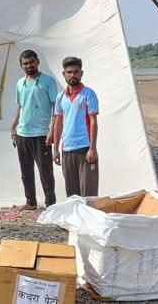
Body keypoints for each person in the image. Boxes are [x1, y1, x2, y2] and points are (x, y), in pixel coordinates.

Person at [10, 50, 59, 210]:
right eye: (25, 63)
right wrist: (13, 126)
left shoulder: (48, 81)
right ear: (21, 65)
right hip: (22, 133)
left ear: (37, 62)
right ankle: (30, 202)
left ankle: (50, 204)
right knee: (26, 171)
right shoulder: (20, 83)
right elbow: (20, 106)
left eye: (31, 62)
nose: (29, 66)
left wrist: (52, 130)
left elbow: (55, 108)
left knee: (45, 172)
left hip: (41, 134)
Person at [53, 57, 99, 197]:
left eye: (76, 72)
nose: (73, 75)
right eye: (69, 72)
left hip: (85, 149)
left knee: (88, 193)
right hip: (67, 150)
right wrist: (55, 149)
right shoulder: (60, 97)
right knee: (72, 194)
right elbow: (58, 123)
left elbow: (93, 122)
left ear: (81, 73)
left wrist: (92, 148)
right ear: (64, 74)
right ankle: (74, 219)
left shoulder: (88, 94)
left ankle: (88, 219)